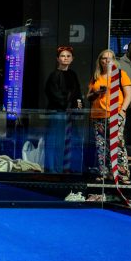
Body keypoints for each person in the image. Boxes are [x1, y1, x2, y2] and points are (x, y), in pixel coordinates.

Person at [87, 49, 131, 184]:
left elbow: (128, 95)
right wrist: (97, 93)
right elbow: (88, 96)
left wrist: (122, 111)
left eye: (109, 58)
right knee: (101, 145)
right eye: (104, 58)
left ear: (114, 60)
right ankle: (105, 173)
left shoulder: (120, 74)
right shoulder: (96, 76)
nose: (107, 61)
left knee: (117, 144)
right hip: (98, 114)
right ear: (100, 61)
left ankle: (122, 174)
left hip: (115, 114)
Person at [44, 45, 83, 173]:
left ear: (72, 59)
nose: (65, 58)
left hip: (69, 114)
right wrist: (69, 104)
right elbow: (53, 94)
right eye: (62, 56)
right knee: (55, 142)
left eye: (68, 56)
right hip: (58, 113)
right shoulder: (54, 75)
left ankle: (63, 168)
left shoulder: (73, 74)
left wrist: (79, 106)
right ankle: (53, 170)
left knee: (66, 142)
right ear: (57, 59)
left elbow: (78, 93)